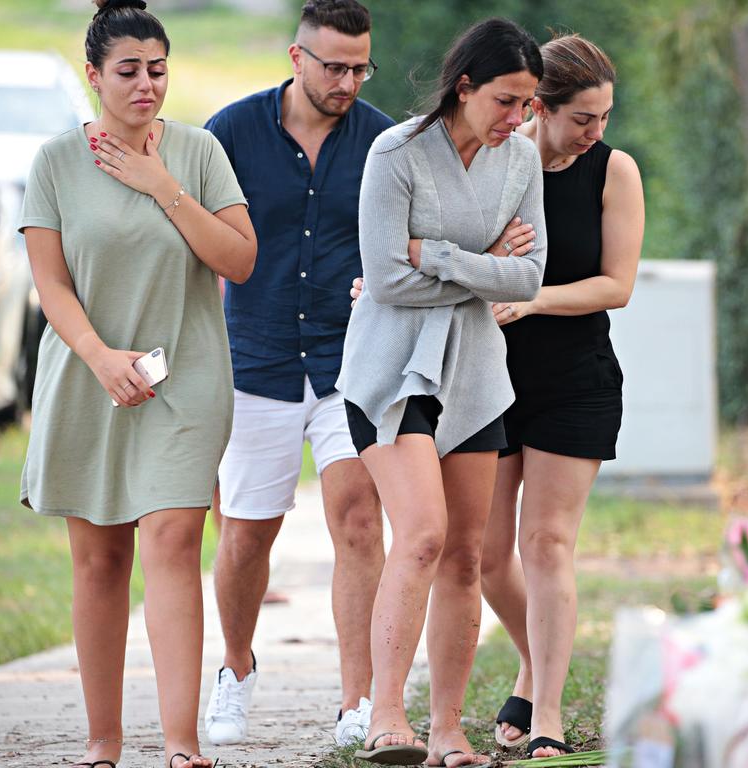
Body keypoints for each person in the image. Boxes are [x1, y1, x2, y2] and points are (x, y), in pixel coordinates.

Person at [18, 2, 257, 767]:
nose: (146, 84)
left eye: (157, 69)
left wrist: (163, 186)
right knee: (99, 563)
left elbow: (240, 260)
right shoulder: (55, 163)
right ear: (93, 77)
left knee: (175, 540)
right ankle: (103, 743)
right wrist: (99, 356)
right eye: (128, 71)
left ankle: (183, 746)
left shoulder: (199, 152)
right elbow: (51, 287)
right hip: (88, 377)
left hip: (185, 381)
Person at [336, 18, 547, 767]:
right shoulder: (395, 153)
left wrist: (447, 256)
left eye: (527, 104)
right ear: (465, 87)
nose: (518, 119)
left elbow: (528, 278)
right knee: (421, 534)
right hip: (388, 374)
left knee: (464, 555)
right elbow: (385, 278)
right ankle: (385, 718)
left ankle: (449, 730)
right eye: (506, 100)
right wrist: (481, 263)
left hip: (476, 378)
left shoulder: (520, 159)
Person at [201, 0, 393, 748]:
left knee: (356, 519)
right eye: (334, 65)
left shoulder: (382, 140)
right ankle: (237, 669)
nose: (348, 80)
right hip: (257, 359)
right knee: (248, 534)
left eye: (359, 66)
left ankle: (357, 702)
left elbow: (407, 236)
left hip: (353, 363)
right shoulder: (231, 132)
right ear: (296, 57)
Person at [485, 35, 644, 759]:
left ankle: (545, 709)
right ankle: (533, 658)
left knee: (547, 542)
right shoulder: (490, 159)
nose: (597, 132)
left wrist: (531, 299)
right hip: (484, 378)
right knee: (487, 557)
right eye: (583, 118)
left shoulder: (614, 171)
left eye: (605, 115)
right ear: (539, 109)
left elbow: (617, 285)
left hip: (575, 378)